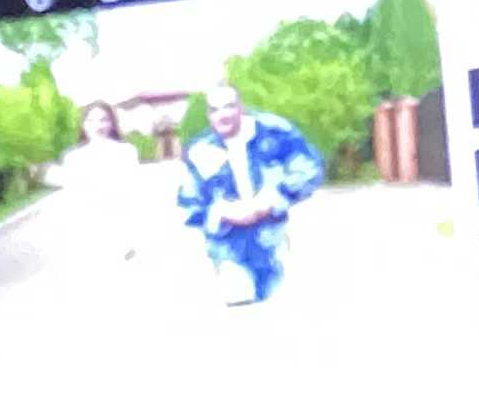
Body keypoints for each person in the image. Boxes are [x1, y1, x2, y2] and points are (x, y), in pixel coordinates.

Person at [174, 85, 323, 305]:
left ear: (241, 107)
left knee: (290, 303)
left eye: (228, 107)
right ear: (208, 115)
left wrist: (274, 199)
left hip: (277, 234)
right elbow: (189, 205)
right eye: (215, 110)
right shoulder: (200, 150)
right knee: (240, 304)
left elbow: (309, 169)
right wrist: (220, 213)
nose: (222, 115)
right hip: (230, 246)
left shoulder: (273, 132)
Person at [51, 100, 152, 271]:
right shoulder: (73, 159)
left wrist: (132, 239)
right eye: (91, 121)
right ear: (83, 125)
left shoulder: (126, 152)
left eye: (103, 120)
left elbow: (133, 197)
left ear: (112, 123)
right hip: (86, 239)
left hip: (119, 237)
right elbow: (72, 203)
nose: (97, 126)